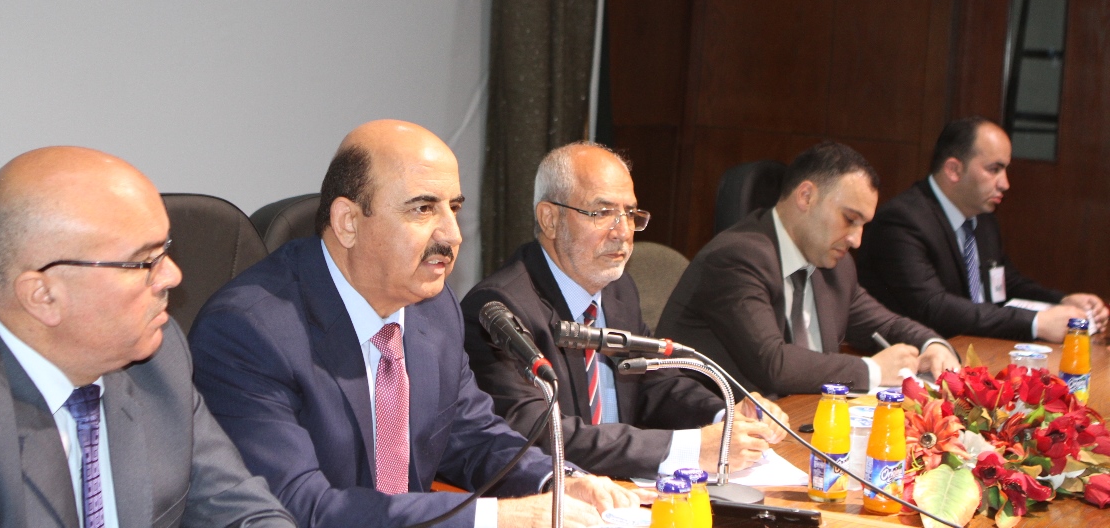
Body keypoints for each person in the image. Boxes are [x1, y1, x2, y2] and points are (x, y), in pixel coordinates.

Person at [190, 121, 637, 528]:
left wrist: (557, 481)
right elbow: (299, 506)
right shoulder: (248, 331)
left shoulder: (433, 308)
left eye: (454, 208)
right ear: (348, 222)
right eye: (423, 209)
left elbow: (473, 435)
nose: (452, 234)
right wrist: (495, 519)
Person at [0, 146, 294, 527]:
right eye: (143, 261)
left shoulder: (156, 355)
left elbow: (243, 510)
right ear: (43, 295)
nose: (173, 276)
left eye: (165, 250)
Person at [462, 142, 788, 480]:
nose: (623, 233)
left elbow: (654, 383)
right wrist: (688, 450)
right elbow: (540, 434)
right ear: (550, 219)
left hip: (630, 486)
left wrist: (726, 416)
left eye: (630, 214)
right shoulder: (497, 310)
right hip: (561, 494)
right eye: (602, 213)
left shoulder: (618, 290)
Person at [655, 142, 960, 397]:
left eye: (863, 225)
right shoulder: (736, 258)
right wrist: (874, 370)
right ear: (806, 197)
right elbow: (773, 365)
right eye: (849, 219)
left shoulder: (835, 266)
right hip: (716, 429)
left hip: (802, 421)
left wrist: (932, 345)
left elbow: (886, 325)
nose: (856, 240)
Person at [858, 116, 1109, 341]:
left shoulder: (982, 218)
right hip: (914, 358)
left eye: (1005, 169)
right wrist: (1035, 323)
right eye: (994, 169)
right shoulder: (902, 221)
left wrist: (1061, 301)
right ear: (954, 170)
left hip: (978, 348)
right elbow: (933, 306)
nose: (1005, 184)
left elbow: (1005, 283)